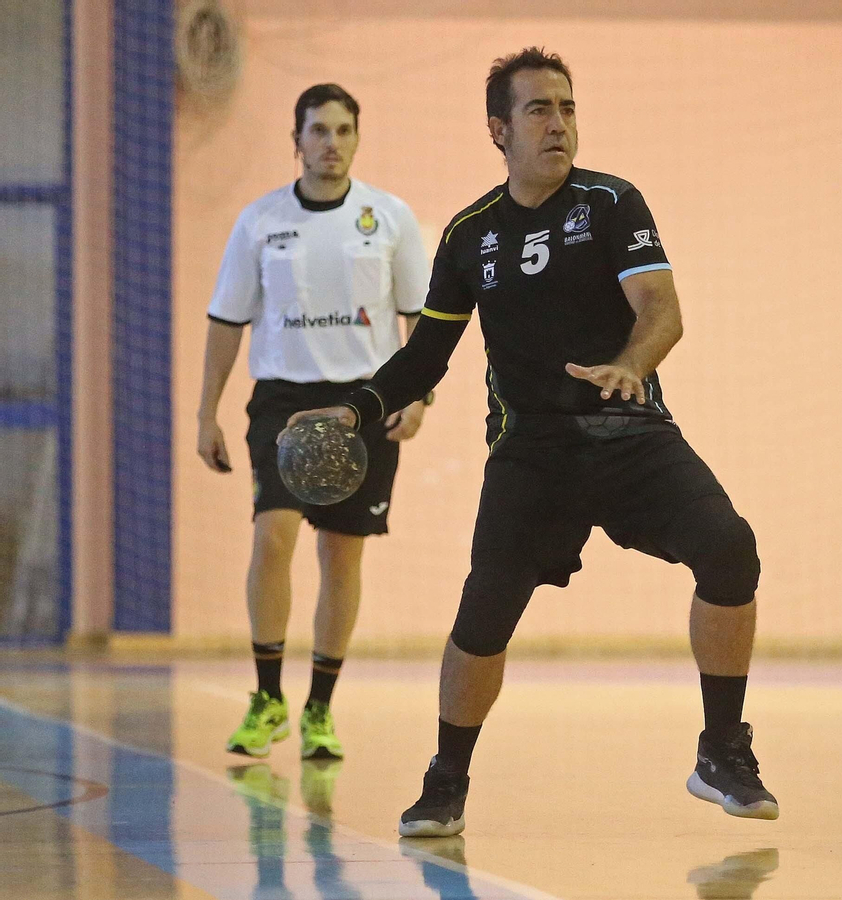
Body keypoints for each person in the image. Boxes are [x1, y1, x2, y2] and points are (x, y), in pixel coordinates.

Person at [285, 47, 776, 837]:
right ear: (499, 130)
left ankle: (722, 750)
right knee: (483, 616)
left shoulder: (612, 203)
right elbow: (426, 354)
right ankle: (445, 782)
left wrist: (629, 366)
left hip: (629, 432)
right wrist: (357, 409)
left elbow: (662, 309)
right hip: (532, 452)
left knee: (730, 549)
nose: (558, 124)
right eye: (539, 109)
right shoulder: (469, 234)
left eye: (568, 108)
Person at [198, 83, 431, 760]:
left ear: (357, 138)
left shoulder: (390, 218)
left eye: (343, 130)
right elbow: (226, 320)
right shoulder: (260, 221)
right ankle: (268, 697)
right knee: (273, 537)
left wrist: (418, 397)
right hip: (282, 402)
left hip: (365, 402)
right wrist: (206, 413)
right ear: (296, 140)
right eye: (319, 130)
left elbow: (421, 320)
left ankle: (320, 709)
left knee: (341, 553)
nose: (332, 143)